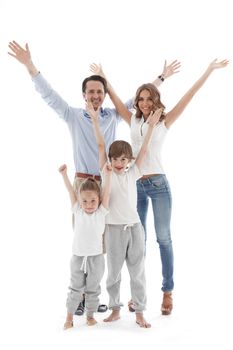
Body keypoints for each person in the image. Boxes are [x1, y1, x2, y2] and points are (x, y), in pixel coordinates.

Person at [7, 40, 180, 315]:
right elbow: (48, 94)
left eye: (100, 91)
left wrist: (162, 77)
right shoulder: (72, 115)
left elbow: (137, 98)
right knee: (83, 241)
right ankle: (77, 298)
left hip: (109, 184)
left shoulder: (112, 115)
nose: (96, 95)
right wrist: (30, 65)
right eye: (91, 92)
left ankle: (93, 298)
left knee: (103, 246)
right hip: (83, 184)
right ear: (84, 95)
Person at [90, 58, 229, 316]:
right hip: (136, 186)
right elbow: (117, 97)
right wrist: (103, 76)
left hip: (159, 184)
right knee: (138, 242)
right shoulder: (132, 120)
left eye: (148, 98)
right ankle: (137, 295)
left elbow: (191, 93)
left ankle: (167, 291)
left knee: (163, 238)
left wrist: (208, 69)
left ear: (155, 100)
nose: (144, 102)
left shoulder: (164, 121)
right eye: (141, 98)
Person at [87, 99, 163, 328]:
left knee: (137, 271)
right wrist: (94, 120)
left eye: (123, 159)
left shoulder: (133, 172)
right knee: (113, 273)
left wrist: (150, 127)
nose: (119, 163)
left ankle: (139, 311)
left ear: (129, 161)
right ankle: (115, 309)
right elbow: (101, 146)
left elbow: (145, 148)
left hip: (134, 228)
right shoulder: (105, 172)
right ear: (110, 160)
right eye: (115, 159)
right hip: (113, 229)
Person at [59, 163, 112, 329]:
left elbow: (107, 191)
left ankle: (90, 316)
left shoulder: (101, 211)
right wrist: (64, 175)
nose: (89, 204)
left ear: (99, 199)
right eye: (85, 201)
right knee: (75, 288)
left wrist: (108, 175)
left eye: (93, 201)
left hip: (96, 257)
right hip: (78, 257)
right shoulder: (78, 210)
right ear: (80, 201)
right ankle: (69, 318)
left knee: (93, 288)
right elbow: (70, 191)